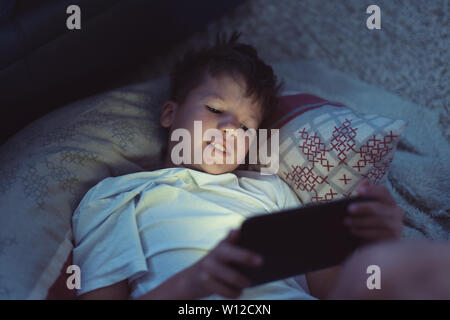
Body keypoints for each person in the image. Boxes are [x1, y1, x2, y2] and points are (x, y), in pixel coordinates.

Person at [72, 31, 407, 300]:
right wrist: (194, 282)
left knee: (425, 269)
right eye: (216, 110)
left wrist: (377, 247)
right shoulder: (117, 197)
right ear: (169, 114)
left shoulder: (269, 188)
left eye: (246, 127)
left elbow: (335, 289)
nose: (231, 128)